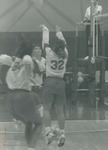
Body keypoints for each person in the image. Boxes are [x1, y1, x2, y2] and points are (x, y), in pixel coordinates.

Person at [0, 41, 42, 150]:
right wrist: (30, 77)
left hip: (9, 98)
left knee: (28, 123)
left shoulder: (12, 59)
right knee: (39, 123)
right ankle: (31, 147)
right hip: (23, 97)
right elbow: (28, 63)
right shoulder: (28, 58)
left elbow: (1, 58)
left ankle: (30, 146)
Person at [40, 25, 68, 147]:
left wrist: (45, 29)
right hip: (61, 83)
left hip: (50, 81)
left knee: (46, 109)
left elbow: (45, 42)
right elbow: (64, 43)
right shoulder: (66, 53)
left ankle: (48, 132)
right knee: (60, 111)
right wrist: (58, 32)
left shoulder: (49, 52)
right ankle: (62, 134)